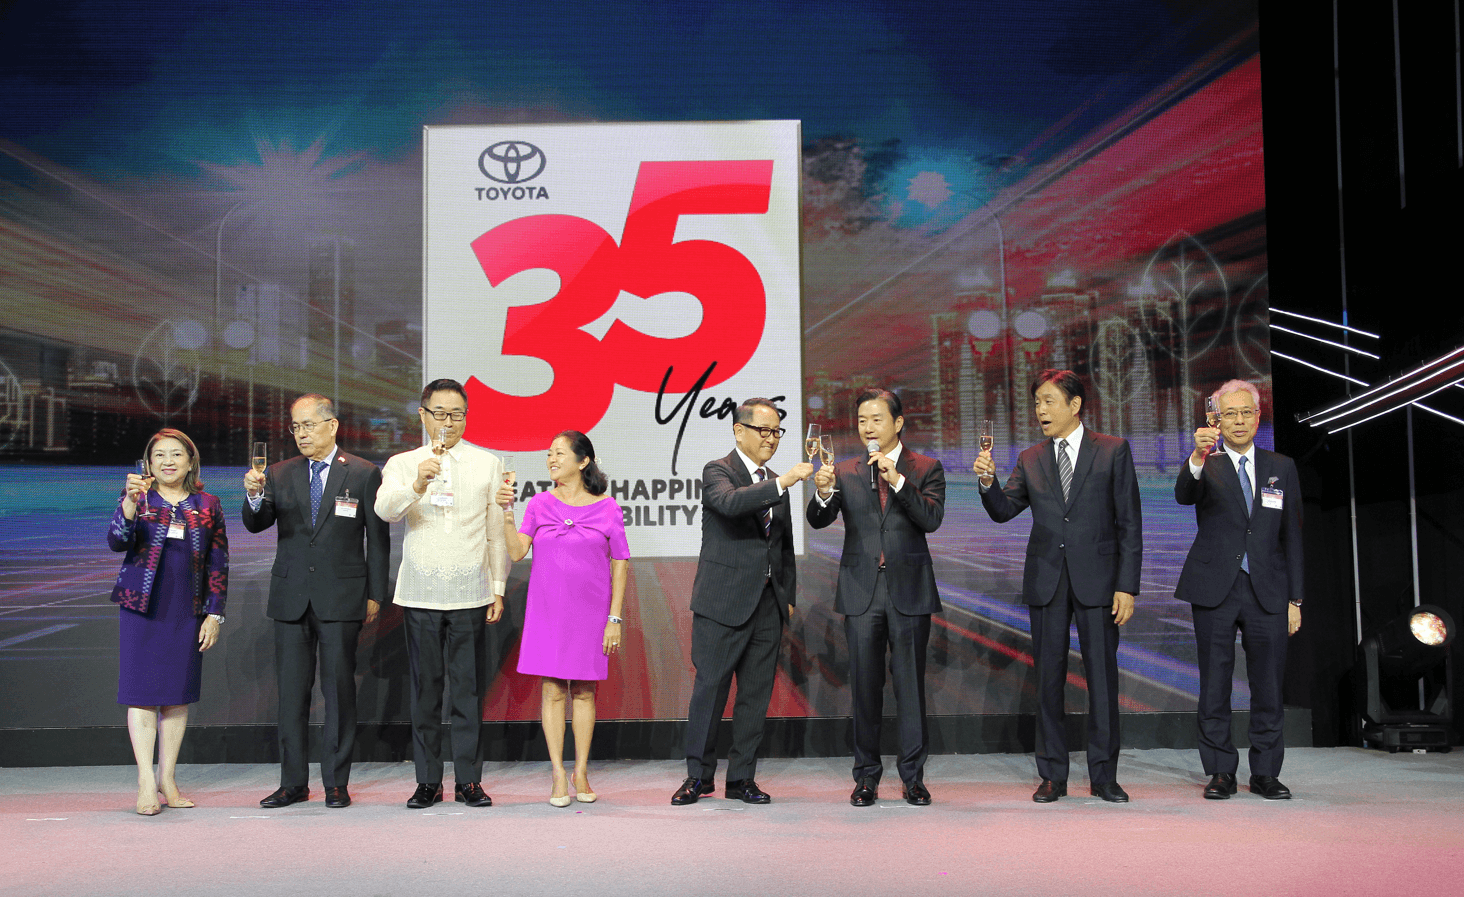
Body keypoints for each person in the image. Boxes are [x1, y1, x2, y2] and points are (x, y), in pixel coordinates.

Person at [973, 369, 1142, 803]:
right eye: (1037, 403)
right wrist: (987, 482)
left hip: (1099, 582)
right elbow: (1004, 510)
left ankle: (1104, 776)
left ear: (1075, 404)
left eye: (1049, 401)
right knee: (1048, 681)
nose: (1041, 411)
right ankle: (1052, 775)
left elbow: (1129, 522)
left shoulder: (1113, 450)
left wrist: (1127, 586)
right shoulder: (1031, 458)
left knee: (1102, 680)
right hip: (1047, 581)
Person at [243, 394, 388, 809]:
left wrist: (375, 594)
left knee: (339, 692)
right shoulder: (278, 473)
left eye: (309, 425)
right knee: (291, 695)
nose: (301, 434)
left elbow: (377, 542)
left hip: (342, 597)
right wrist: (254, 496)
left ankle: (336, 783)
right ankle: (293, 783)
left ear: (332, 425)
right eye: (296, 427)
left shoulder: (362, 473)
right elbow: (256, 524)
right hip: (291, 598)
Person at [808, 388, 946, 807]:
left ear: (898, 423)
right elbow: (818, 520)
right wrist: (823, 493)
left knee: (910, 689)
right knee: (865, 689)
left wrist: (897, 479)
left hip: (909, 591)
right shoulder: (845, 470)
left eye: (876, 419)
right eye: (862, 420)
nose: (868, 427)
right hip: (861, 591)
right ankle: (866, 776)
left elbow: (931, 518)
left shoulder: (926, 468)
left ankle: (913, 778)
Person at [671, 398, 812, 806]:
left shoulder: (775, 481)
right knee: (710, 691)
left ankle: (741, 778)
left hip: (767, 605)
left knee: (755, 695)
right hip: (722, 603)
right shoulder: (718, 471)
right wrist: (783, 483)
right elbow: (731, 503)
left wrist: (787, 596)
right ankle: (698, 777)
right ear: (739, 430)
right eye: (764, 430)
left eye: (777, 432)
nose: (772, 439)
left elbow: (782, 546)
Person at [376, 378, 508, 810]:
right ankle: (428, 780)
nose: (448, 423)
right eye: (440, 414)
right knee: (425, 693)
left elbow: (494, 530)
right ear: (423, 415)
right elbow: (384, 510)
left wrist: (497, 587)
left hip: (471, 591)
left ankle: (469, 780)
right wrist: (417, 484)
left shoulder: (487, 462)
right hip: (421, 593)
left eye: (457, 415)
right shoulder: (403, 463)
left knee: (468, 692)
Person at [1176, 380, 1303, 800]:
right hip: (1215, 587)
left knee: (1268, 685)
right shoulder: (1206, 464)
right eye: (1229, 413)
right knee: (1215, 684)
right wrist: (1197, 457)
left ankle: (1265, 772)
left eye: (1246, 412)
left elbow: (1292, 535)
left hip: (1268, 590)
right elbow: (1183, 495)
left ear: (1258, 416)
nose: (1239, 420)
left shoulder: (1280, 466)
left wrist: (1295, 598)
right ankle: (1220, 771)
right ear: (1217, 419)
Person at [503, 431, 629, 807]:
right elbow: (516, 551)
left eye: (559, 453)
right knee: (554, 689)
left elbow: (620, 563)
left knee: (586, 691)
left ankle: (582, 771)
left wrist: (614, 618)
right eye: (549, 454)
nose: (551, 459)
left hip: (592, 612)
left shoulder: (608, 507)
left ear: (583, 460)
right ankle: (558, 772)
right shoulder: (539, 503)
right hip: (548, 611)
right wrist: (506, 513)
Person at [108, 428, 227, 816]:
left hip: (186, 610)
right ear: (148, 464)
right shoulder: (139, 499)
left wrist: (214, 614)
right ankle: (146, 780)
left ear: (191, 462)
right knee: (142, 694)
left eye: (176, 454)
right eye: (159, 455)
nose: (168, 461)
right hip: (141, 608)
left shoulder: (208, 504)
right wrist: (129, 504)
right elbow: (116, 541)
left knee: (176, 696)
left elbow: (218, 564)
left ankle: (168, 779)